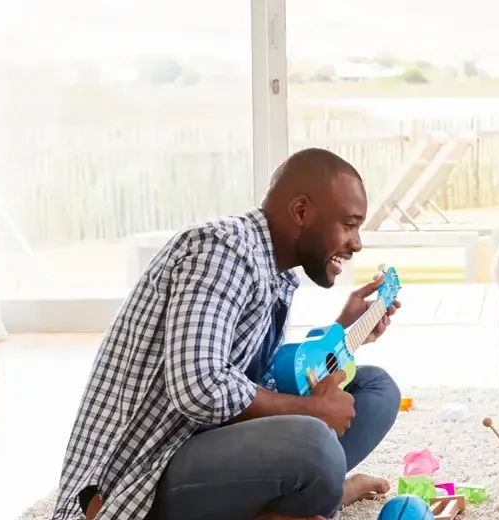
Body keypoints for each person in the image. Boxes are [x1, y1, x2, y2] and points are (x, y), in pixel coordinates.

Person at [51, 148, 404, 520]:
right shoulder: (222, 250)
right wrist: (311, 410)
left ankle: (300, 501)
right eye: (349, 225)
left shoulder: (277, 273)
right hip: (142, 475)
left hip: (205, 444)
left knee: (375, 389)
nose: (356, 243)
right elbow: (201, 388)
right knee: (314, 444)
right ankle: (300, 502)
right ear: (301, 211)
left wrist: (343, 333)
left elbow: (262, 383)